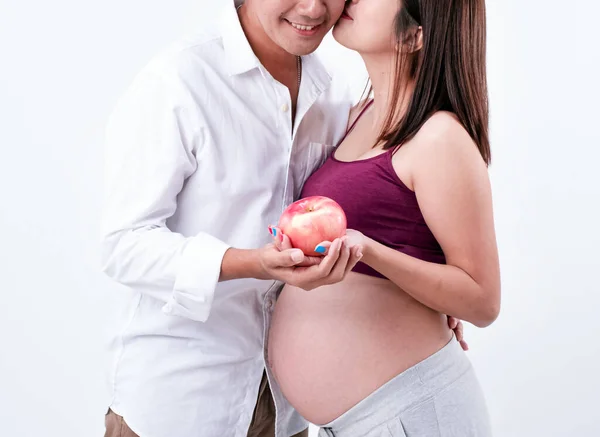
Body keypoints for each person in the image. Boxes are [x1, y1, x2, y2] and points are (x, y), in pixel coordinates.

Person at [101, 0, 466, 436]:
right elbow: (123, 244)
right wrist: (249, 262)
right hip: (181, 404)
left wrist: (426, 294)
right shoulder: (180, 80)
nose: (313, 8)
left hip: (282, 410)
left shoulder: (334, 89)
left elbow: (357, 211)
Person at [268, 0, 500, 436]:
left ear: (415, 34)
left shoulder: (438, 137)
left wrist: (372, 252)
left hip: (410, 414)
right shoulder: (360, 116)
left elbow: (483, 300)